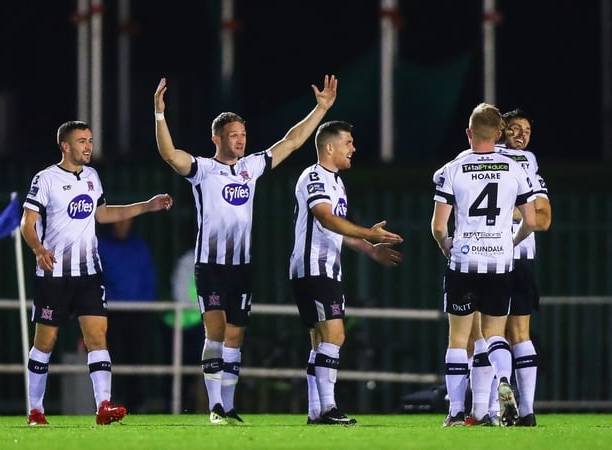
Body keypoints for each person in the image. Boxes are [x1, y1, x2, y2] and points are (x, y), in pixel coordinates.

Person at [153, 74, 337, 425]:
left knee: (236, 333)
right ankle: (214, 407)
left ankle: (229, 405)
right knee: (215, 331)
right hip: (210, 264)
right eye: (233, 135)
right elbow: (170, 154)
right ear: (217, 139)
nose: (240, 141)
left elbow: (292, 141)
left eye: (243, 135)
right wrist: (160, 115)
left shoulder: (250, 168)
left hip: (242, 265)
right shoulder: (202, 170)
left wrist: (320, 108)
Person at [20, 120, 173, 426]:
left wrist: (147, 205)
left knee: (98, 338)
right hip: (54, 275)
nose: (88, 146)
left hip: (89, 273)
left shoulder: (92, 176)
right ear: (65, 146)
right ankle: (36, 410)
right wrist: (38, 249)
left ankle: (103, 405)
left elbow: (103, 214)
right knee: (45, 343)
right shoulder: (46, 179)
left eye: (90, 140)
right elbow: (27, 222)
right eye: (81, 141)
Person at [289, 120, 404, 425]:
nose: (353, 149)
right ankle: (328, 408)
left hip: (325, 268)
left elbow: (338, 230)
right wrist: (369, 233)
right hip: (314, 267)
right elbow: (326, 220)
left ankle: (317, 411)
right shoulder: (314, 176)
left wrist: (370, 248)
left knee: (320, 340)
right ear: (330, 147)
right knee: (335, 334)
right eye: (348, 143)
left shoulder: (337, 183)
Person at [431, 102, 537, 427]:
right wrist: (511, 243)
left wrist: (446, 246)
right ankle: (504, 381)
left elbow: (438, 227)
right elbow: (531, 221)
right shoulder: (516, 169)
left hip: (464, 261)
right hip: (499, 261)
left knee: (458, 339)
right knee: (493, 334)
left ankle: (455, 412)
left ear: (469, 133)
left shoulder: (453, 169)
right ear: (500, 133)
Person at [465, 108, 551, 426]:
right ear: (500, 131)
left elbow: (543, 219)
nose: (521, 135)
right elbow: (539, 217)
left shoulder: (475, 159)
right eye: (514, 128)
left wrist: (504, 213)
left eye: (526, 130)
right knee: (515, 334)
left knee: (485, 335)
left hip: (493, 257)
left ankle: (485, 410)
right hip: (506, 254)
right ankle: (523, 411)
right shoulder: (524, 164)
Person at [98, 216, 158, 412]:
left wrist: (145, 303)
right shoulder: (102, 246)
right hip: (112, 313)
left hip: (138, 312)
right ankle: (111, 401)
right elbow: (97, 278)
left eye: (126, 221)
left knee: (136, 357)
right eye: (119, 220)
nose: (122, 224)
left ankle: (134, 403)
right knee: (113, 356)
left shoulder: (140, 248)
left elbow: (149, 278)